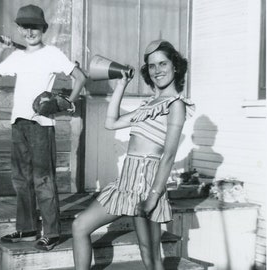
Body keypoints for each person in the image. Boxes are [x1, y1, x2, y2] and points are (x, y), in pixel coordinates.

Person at [72, 40, 195, 269]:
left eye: (163, 63)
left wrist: (153, 196)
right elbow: (111, 123)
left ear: (175, 66)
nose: (157, 70)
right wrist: (121, 85)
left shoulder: (175, 105)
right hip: (125, 183)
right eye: (151, 66)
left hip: (147, 184)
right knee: (80, 225)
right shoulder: (150, 103)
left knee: (150, 254)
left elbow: (168, 156)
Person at [0, 4, 86, 251]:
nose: (30, 32)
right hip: (18, 123)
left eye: (35, 27)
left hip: (40, 124)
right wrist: (0, 49)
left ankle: (51, 232)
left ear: (43, 29)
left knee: (43, 179)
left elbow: (81, 77)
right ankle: (28, 229)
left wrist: (66, 103)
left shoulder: (52, 53)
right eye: (25, 27)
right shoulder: (17, 56)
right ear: (19, 29)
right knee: (21, 180)